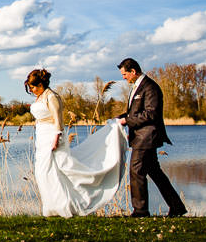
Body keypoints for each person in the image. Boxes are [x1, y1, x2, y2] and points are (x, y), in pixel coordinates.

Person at [25, 68, 127, 217]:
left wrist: (56, 139)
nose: (32, 90)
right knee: (43, 173)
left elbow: (58, 120)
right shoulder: (40, 97)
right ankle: (52, 206)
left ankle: (67, 205)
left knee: (58, 171)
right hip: (42, 136)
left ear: (41, 84)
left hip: (52, 136)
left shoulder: (52, 97)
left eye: (33, 87)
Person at [116, 58, 188, 218]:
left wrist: (127, 121)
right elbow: (134, 112)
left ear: (133, 71)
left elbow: (150, 114)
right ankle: (177, 207)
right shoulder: (137, 87)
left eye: (125, 74)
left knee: (136, 171)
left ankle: (141, 211)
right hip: (141, 137)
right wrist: (120, 118)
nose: (123, 77)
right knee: (155, 172)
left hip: (147, 137)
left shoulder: (150, 87)